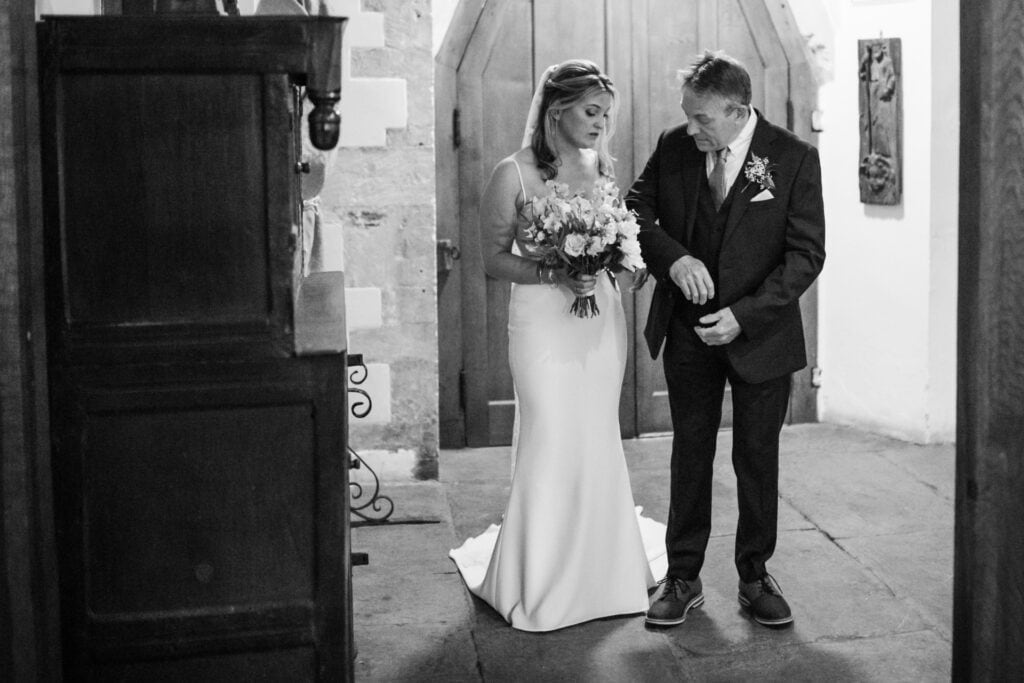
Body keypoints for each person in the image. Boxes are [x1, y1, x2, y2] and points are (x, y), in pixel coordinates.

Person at [449, 60, 666, 632]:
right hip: (543, 321)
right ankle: (540, 578)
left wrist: (624, 261)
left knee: (595, 433)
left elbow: (616, 233)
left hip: (599, 322)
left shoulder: (602, 165)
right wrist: (554, 273)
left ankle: (606, 569)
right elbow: (492, 257)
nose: (601, 124)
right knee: (550, 432)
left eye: (606, 115)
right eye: (592, 112)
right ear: (557, 111)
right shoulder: (512, 174)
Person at [626, 50, 825, 629]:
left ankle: (755, 574)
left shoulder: (792, 158)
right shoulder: (674, 146)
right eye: (687, 116)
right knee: (690, 451)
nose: (691, 129)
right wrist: (675, 258)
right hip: (688, 333)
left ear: (738, 112)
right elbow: (638, 209)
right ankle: (682, 575)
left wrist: (746, 315)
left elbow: (806, 254)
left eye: (702, 119)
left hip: (761, 337)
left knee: (756, 459)